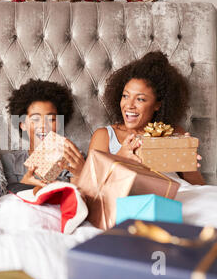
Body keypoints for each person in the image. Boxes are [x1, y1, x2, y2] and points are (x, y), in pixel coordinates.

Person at [88, 51, 205, 185]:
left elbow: (199, 188)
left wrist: (188, 164)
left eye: (140, 99)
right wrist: (119, 158)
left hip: (174, 196)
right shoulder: (105, 136)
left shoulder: (174, 134)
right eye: (125, 96)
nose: (129, 105)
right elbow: (89, 186)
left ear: (157, 104)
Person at [5, 79, 85, 188]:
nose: (43, 125)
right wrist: (23, 185)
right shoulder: (10, 161)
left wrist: (81, 174)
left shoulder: (74, 157)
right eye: (36, 119)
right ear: (22, 124)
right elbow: (6, 200)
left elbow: (80, 198)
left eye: (51, 119)